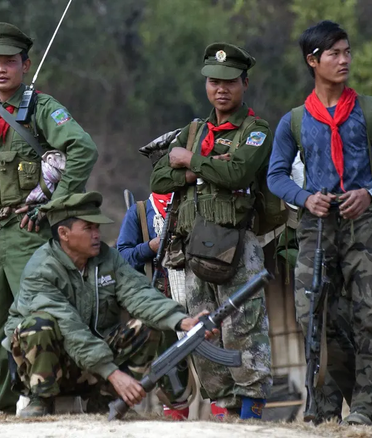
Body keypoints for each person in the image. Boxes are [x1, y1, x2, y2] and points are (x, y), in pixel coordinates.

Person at [0, 22, 98, 414]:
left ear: (25, 65)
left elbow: (82, 149)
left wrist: (56, 205)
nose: (1, 69)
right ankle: (4, 408)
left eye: (9, 62)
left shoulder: (42, 109)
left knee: (42, 314)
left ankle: (56, 399)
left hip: (28, 231)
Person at [267, 20, 372, 426]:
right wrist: (304, 197)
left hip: (364, 223)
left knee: (370, 316)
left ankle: (368, 409)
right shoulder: (294, 121)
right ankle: (323, 409)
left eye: (347, 52)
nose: (344, 60)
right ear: (313, 61)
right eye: (334, 53)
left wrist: (370, 192)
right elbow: (276, 175)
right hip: (316, 224)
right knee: (313, 317)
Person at [3, 192, 216, 417]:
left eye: (97, 227)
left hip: (93, 360)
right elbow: (70, 328)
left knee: (147, 326)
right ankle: (41, 399)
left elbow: (140, 294)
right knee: (40, 324)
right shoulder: (41, 269)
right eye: (88, 228)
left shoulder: (107, 258)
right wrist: (112, 373)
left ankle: (105, 400)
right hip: (56, 364)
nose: (97, 234)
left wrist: (182, 321)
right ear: (64, 233)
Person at [149, 42, 273, 420]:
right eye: (214, 81)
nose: (221, 88)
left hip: (236, 244)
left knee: (244, 332)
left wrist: (191, 161)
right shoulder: (194, 131)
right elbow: (159, 176)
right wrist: (198, 165)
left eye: (230, 81)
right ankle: (222, 419)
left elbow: (237, 172)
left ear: (244, 84)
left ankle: (250, 417)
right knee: (201, 333)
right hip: (193, 247)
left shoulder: (255, 131)